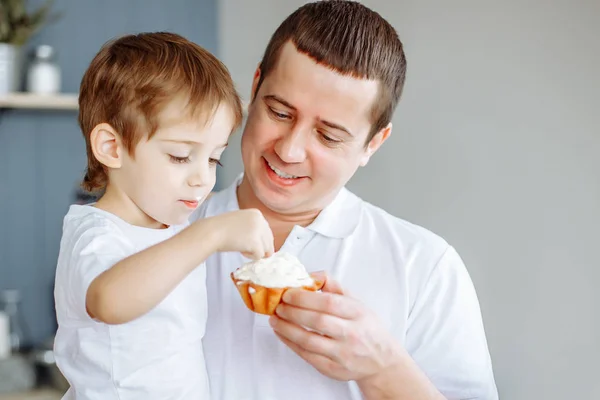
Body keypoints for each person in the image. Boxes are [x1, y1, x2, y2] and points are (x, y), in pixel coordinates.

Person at [192, 1, 499, 399]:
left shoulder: (424, 268)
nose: (290, 150)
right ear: (254, 87)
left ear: (373, 143)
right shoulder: (159, 232)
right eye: (280, 112)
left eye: (329, 136)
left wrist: (383, 368)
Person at [53, 32, 274, 399]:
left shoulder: (171, 230)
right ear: (112, 147)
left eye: (214, 158)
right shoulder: (96, 232)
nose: (203, 177)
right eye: (180, 156)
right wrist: (210, 234)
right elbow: (108, 300)